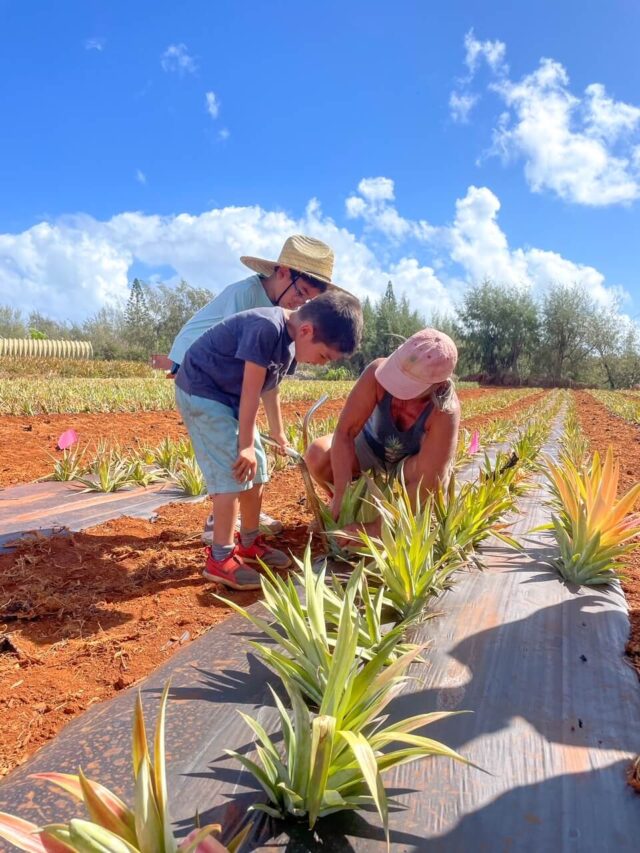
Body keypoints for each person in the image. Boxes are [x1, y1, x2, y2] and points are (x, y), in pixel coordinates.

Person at [175, 290, 363, 590]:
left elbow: (269, 389)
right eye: (324, 356)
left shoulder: (290, 345)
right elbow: (251, 390)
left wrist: (277, 433)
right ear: (307, 330)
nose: (321, 363)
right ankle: (220, 558)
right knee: (232, 471)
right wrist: (245, 445)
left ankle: (249, 542)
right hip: (203, 392)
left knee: (258, 468)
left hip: (230, 398)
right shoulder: (265, 327)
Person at [169, 234, 339, 538]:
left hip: (227, 378)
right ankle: (219, 521)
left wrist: (278, 431)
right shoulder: (247, 297)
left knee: (247, 448)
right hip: (200, 369)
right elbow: (251, 372)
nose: (301, 302)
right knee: (228, 444)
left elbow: (267, 379)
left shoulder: (286, 317)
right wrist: (248, 439)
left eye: (308, 300)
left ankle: (245, 516)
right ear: (283, 271)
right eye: (300, 292)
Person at [305, 329, 460, 536]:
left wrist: (376, 529)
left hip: (408, 466)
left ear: (437, 385)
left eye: (409, 386)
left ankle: (387, 518)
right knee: (317, 454)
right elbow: (345, 432)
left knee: (432, 480)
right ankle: (344, 505)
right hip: (369, 447)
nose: (397, 391)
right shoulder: (376, 373)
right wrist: (341, 495)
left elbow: (433, 478)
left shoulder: (444, 411)